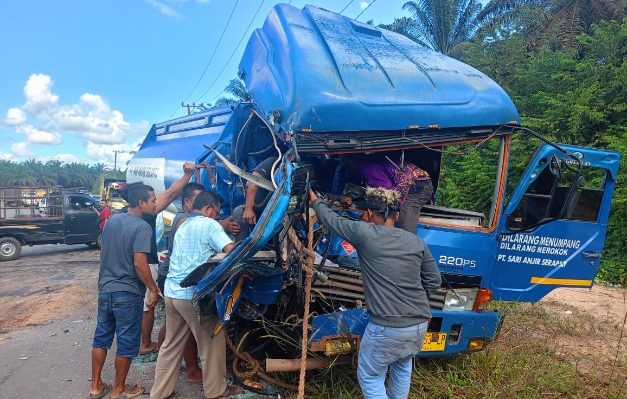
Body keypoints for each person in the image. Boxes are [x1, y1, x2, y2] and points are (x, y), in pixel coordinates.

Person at [310, 189, 441, 399]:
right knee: (402, 366)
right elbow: (434, 280)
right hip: (418, 325)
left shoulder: (366, 233)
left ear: (369, 213)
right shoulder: (416, 242)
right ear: (396, 216)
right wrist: (416, 306)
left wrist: (315, 201)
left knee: (371, 376)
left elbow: (332, 220)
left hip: (387, 328)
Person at [151, 191, 239, 399]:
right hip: (194, 295)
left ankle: (160, 393)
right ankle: (216, 391)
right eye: (217, 212)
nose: (217, 216)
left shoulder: (183, 225)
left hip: (172, 293)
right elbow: (231, 251)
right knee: (211, 343)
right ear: (208, 209)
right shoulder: (209, 225)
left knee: (170, 345)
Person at [89, 183, 159, 399]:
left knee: (102, 338)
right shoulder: (142, 227)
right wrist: (153, 288)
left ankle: (96, 386)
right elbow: (140, 263)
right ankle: (119, 389)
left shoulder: (111, 221)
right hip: (127, 292)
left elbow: (104, 254)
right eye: (153, 201)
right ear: (141, 203)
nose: (156, 204)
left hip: (106, 289)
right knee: (127, 343)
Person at [232, 157, 277, 241]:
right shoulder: (273, 162)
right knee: (239, 212)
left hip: (276, 212)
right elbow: (252, 182)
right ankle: (240, 248)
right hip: (258, 211)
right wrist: (248, 209)